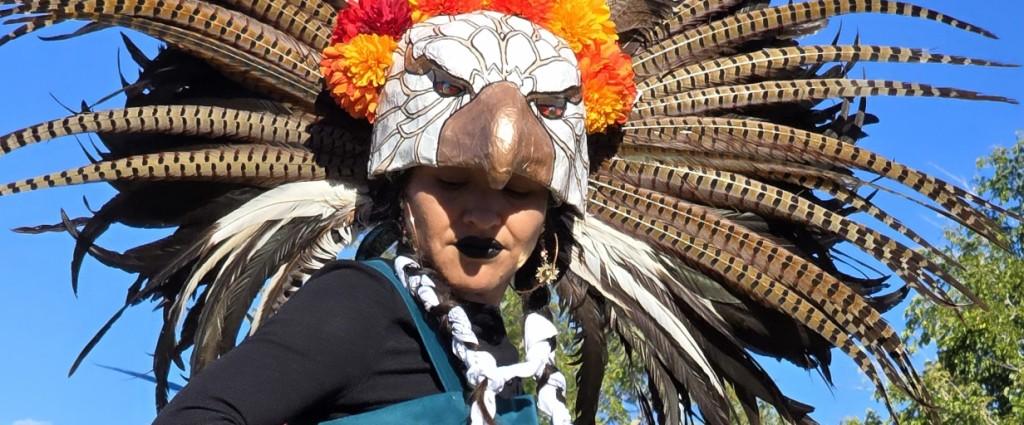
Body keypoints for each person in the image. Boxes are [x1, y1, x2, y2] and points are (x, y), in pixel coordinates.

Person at [0, 0, 1018, 424]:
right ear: (403, 185)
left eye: (522, 194)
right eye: (456, 184)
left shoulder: (504, 341)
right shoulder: (363, 306)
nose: (488, 213)